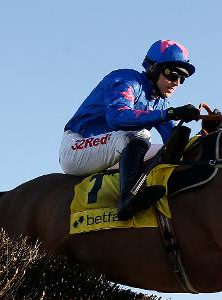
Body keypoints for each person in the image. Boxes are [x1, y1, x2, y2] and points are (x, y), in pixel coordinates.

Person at [60, 39, 201, 220]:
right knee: (139, 134)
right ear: (153, 68)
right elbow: (117, 117)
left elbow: (173, 142)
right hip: (76, 147)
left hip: (110, 149)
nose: (177, 83)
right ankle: (128, 199)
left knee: (164, 150)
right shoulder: (126, 80)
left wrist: (208, 133)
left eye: (182, 79)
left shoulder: (160, 102)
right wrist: (170, 113)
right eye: (172, 74)